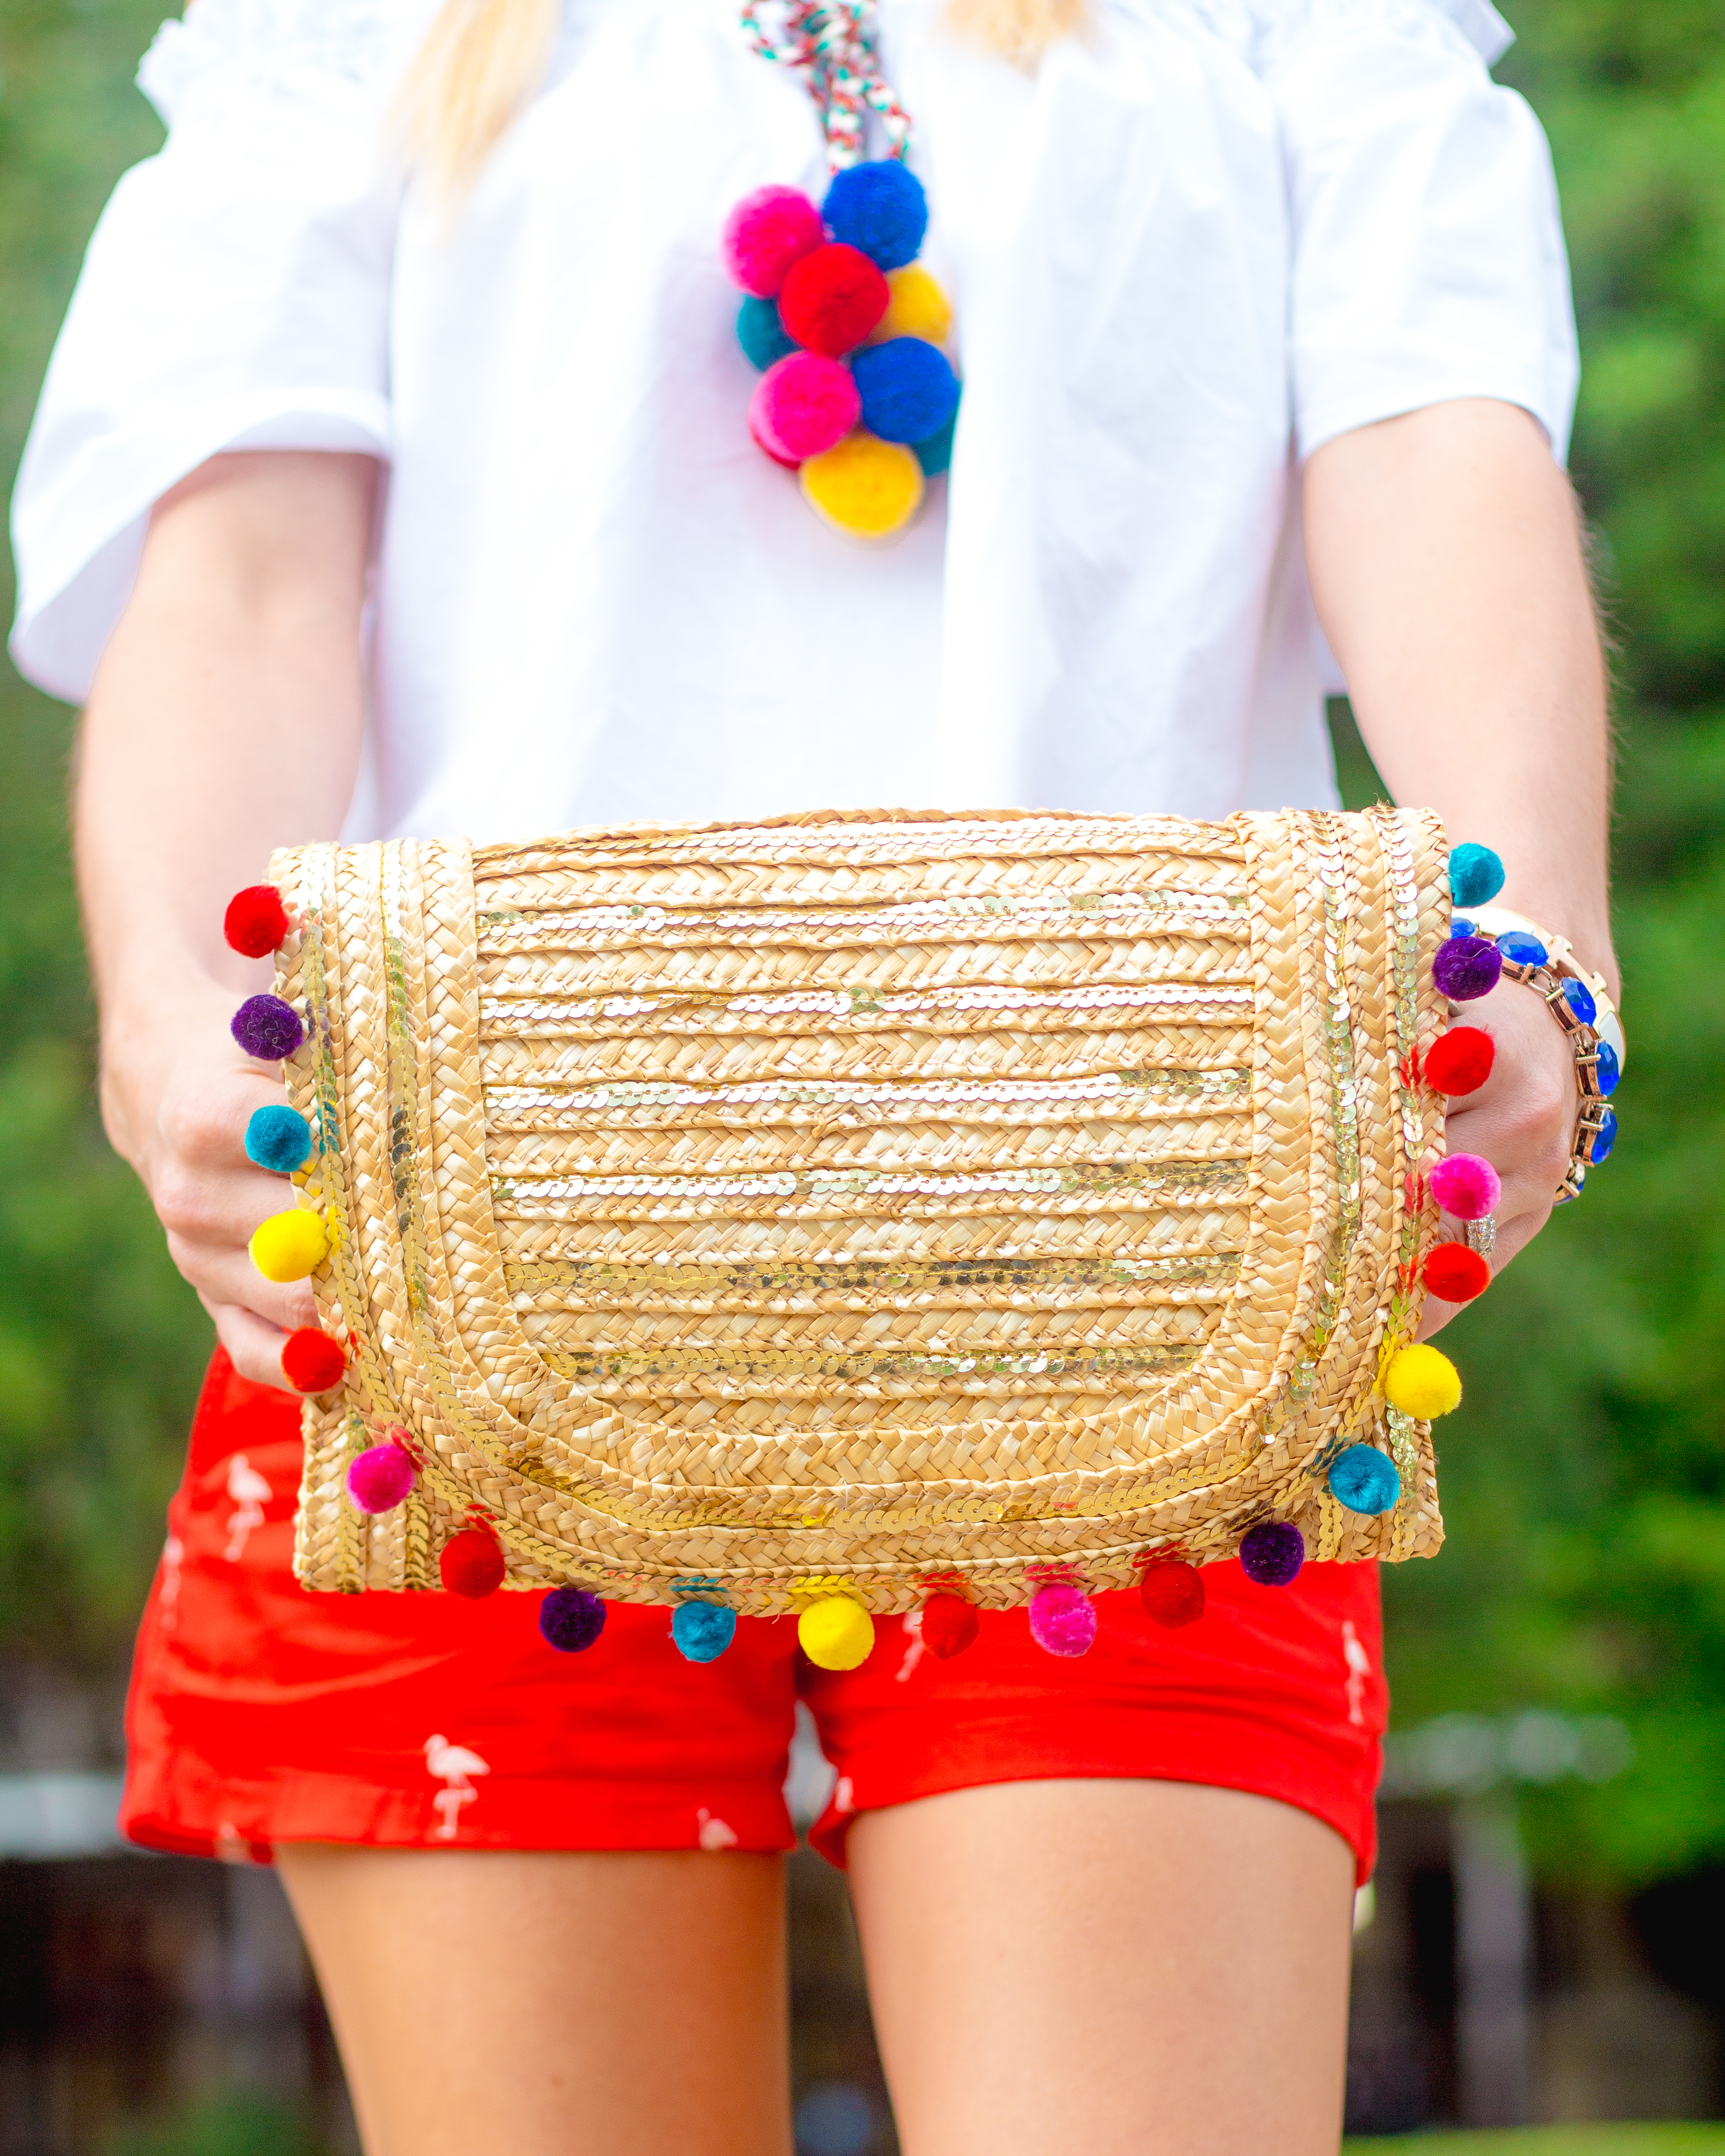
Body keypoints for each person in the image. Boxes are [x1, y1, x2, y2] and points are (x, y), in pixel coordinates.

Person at [9, 0, 1615, 2148]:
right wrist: (168, 1027)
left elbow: (1430, 431)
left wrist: (1541, 954)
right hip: (453, 1234)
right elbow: (240, 562)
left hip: (1135, 1228)